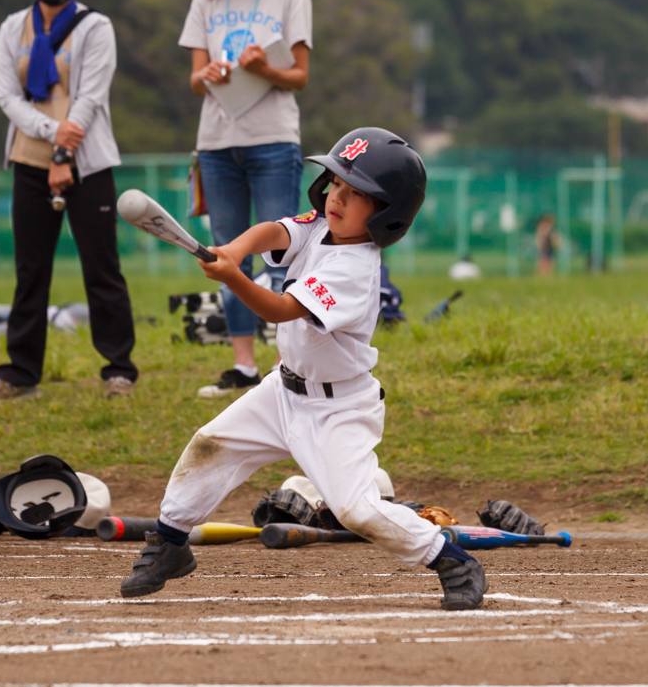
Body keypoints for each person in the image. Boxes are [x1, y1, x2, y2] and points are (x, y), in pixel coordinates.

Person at [118, 128, 487, 610]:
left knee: (355, 509)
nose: (338, 197)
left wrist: (234, 276)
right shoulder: (323, 225)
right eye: (336, 183)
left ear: (387, 216)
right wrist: (236, 250)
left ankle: (450, 559)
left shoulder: (355, 268)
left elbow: (277, 309)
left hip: (337, 409)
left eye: (356, 195)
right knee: (212, 445)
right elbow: (276, 230)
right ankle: (169, 544)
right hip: (282, 391)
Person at [0, 0, 138, 402]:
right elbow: (7, 95)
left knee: (101, 266)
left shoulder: (95, 27)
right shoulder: (13, 28)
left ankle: (119, 368)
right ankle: (19, 373)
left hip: (88, 161)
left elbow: (91, 95)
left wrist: (66, 152)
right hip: (30, 158)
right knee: (31, 269)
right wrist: (52, 137)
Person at [179, 0, 312, 398]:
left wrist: (263, 71)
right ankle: (243, 365)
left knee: (281, 252)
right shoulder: (205, 2)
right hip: (216, 143)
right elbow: (195, 80)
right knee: (223, 253)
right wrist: (207, 73)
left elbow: (298, 75)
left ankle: (286, 362)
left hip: (273, 140)